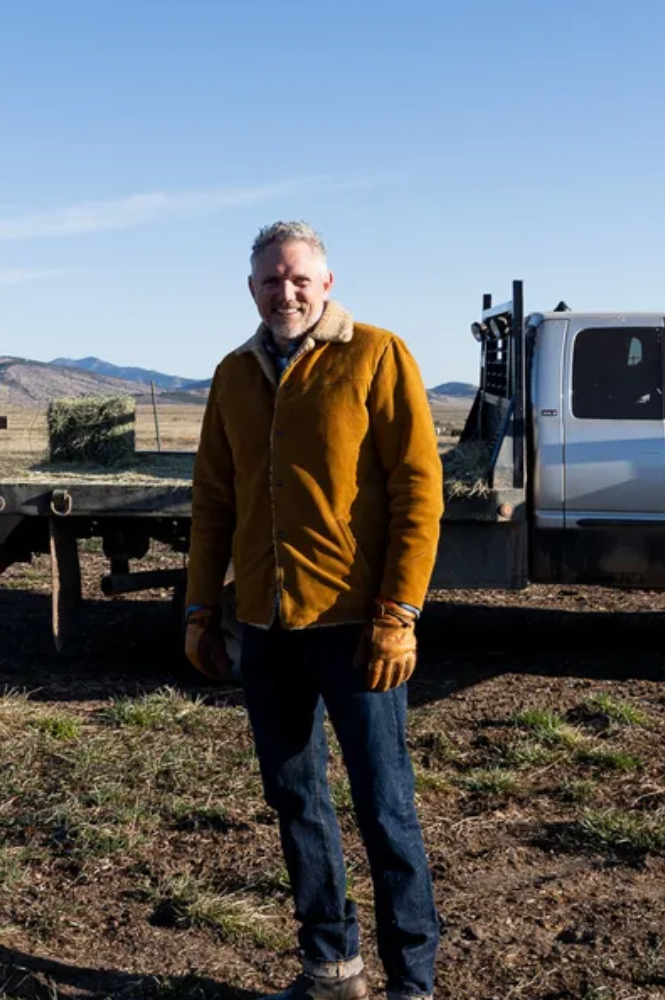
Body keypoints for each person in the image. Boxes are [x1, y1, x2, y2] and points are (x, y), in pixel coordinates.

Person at [183, 222, 444, 1000]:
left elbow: (417, 491)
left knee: (384, 804)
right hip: (266, 628)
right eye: (270, 280)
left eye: (298, 278)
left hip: (357, 629)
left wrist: (400, 610)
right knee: (295, 798)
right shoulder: (233, 375)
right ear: (252, 289)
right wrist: (202, 609)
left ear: (326, 283)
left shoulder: (377, 355)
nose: (285, 292)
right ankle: (331, 967)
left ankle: (413, 981)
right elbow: (214, 503)